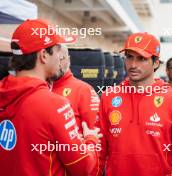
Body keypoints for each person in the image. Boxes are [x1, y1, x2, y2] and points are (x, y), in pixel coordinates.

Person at [0, 19, 101, 176]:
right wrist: (90, 139)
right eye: (57, 50)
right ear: (43, 56)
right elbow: (84, 167)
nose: (60, 57)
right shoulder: (55, 104)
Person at [97, 32, 172, 176]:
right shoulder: (108, 96)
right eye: (129, 57)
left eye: (142, 58)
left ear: (156, 63)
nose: (133, 65)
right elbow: (100, 150)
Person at [52, 45, 100, 131]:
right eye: (53, 59)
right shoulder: (41, 88)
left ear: (68, 60)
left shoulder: (84, 90)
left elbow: (95, 132)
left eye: (61, 58)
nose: (57, 63)